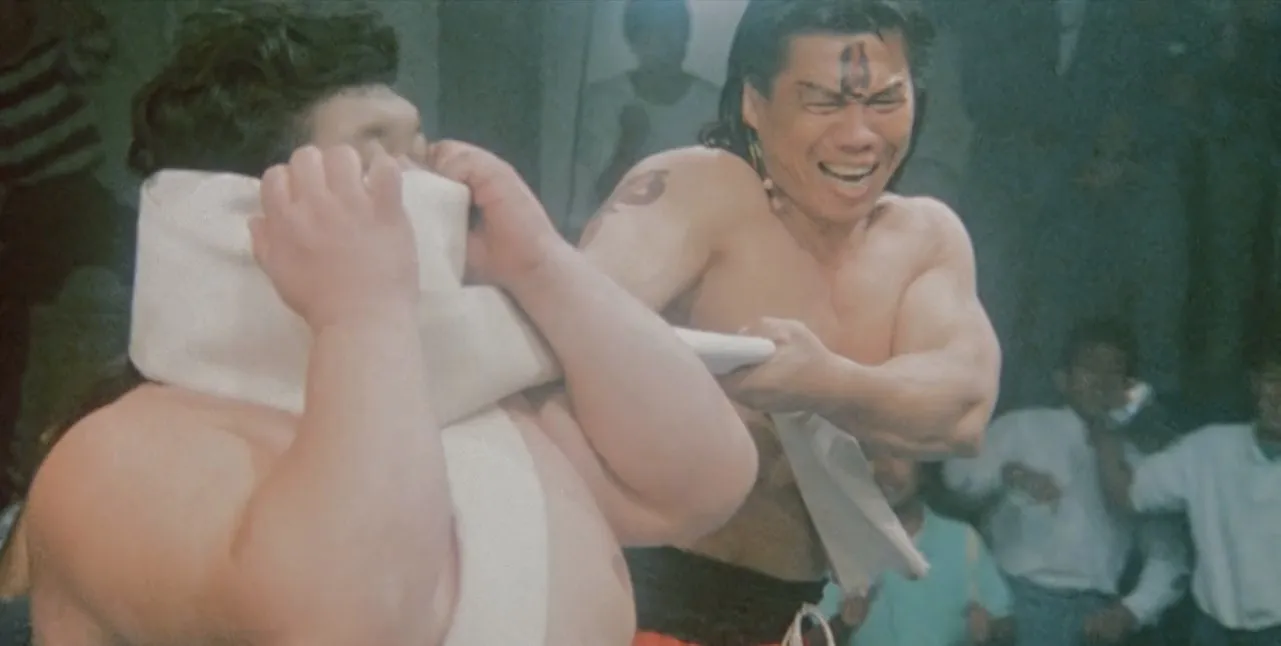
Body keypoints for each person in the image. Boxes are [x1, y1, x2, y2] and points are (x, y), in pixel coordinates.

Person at [21, 5, 759, 645]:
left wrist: (539, 262)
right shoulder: (117, 457)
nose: (436, 177)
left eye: (419, 144)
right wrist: (359, 315)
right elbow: (349, 625)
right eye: (378, 147)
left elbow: (701, 482)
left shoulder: (466, 394)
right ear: (251, 209)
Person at [577, 0, 1001, 643]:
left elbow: (964, 410)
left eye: (885, 101)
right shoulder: (699, 188)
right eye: (824, 102)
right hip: (632, 595)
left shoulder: (924, 236)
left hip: (785, 614)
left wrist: (824, 383)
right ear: (755, 101)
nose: (859, 135)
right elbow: (570, 326)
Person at [944, 319, 1189, 646]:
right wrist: (1006, 474)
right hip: (1012, 603)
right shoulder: (1021, 427)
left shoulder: (1140, 462)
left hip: (1093, 618)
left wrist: (1132, 611)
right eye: (1090, 367)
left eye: (1115, 370)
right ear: (1063, 379)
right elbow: (955, 480)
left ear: (1130, 387)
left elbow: (1169, 555)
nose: (1102, 381)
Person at [1092, 333, 1281, 645]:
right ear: (1255, 384)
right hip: (1211, 630)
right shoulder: (1209, 448)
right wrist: (1108, 427)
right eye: (1274, 380)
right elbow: (1126, 494)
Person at [813, 454, 1012, 646]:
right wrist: (843, 625)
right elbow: (811, 635)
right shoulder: (841, 546)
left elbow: (1005, 623)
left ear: (923, 467)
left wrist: (990, 632)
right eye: (870, 454)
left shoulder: (963, 539)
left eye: (898, 454)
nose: (883, 468)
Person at [564, 0, 721, 243]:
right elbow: (591, 198)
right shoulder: (603, 101)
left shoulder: (714, 104)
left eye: (674, 30)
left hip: (690, 243)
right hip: (616, 241)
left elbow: (720, 196)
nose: (665, 42)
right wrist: (627, 147)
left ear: (686, 35)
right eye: (653, 33)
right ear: (634, 40)